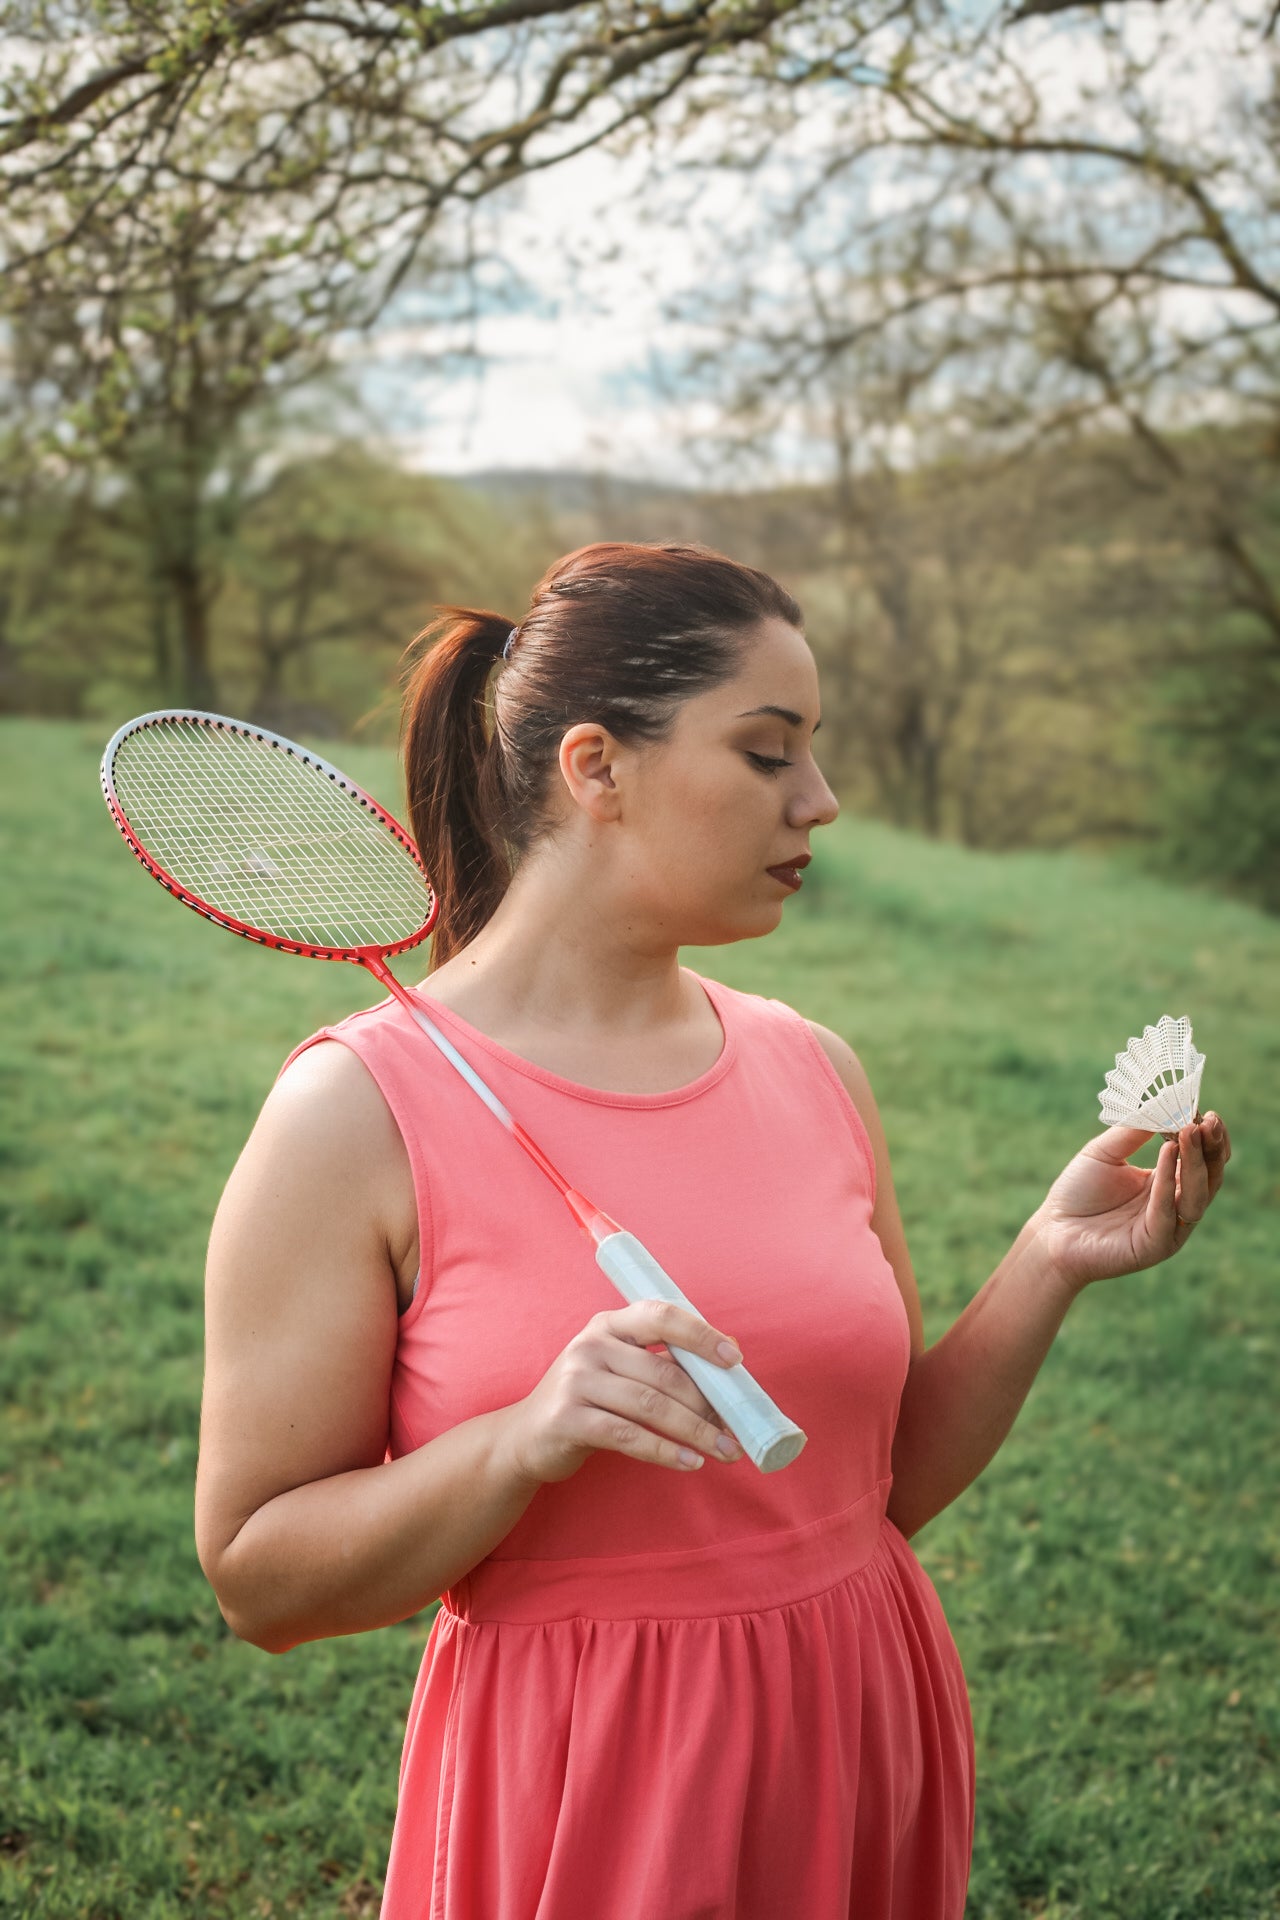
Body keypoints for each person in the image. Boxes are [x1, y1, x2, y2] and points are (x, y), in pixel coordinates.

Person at [194, 540, 1231, 1920]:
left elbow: (878, 1489)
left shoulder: (812, 1064)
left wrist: (1050, 1258)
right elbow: (261, 1581)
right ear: (595, 768)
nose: (825, 800)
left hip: (859, 1719)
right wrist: (520, 1443)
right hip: (594, 1781)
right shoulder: (352, 1113)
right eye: (767, 754)